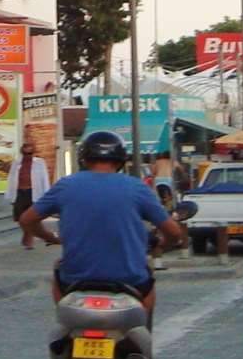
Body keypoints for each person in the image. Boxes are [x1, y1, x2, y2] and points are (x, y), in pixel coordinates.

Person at [19, 132, 185, 325]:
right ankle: (143, 337)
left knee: (58, 268)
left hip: (75, 279)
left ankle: (66, 327)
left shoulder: (66, 186)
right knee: (147, 286)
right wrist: (162, 245)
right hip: (130, 280)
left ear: (85, 159)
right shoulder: (137, 188)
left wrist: (50, 237)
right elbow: (173, 232)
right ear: (121, 160)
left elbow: (27, 220)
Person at [4, 141, 53, 249]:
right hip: (20, 192)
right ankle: (46, 236)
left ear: (33, 153)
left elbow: (44, 178)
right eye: (25, 154)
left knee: (32, 217)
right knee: (20, 218)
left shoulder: (40, 162)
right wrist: (10, 195)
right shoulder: (17, 163)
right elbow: (11, 179)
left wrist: (47, 194)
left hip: (34, 192)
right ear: (22, 153)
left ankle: (29, 239)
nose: (27, 156)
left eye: (30, 153)